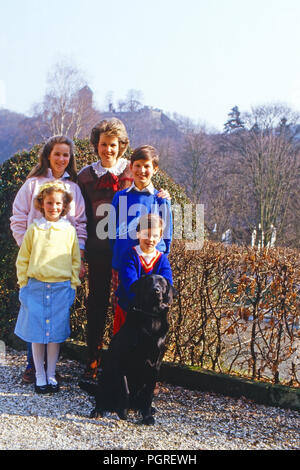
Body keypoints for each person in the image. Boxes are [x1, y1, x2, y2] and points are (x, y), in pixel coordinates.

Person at [77, 119, 170, 379]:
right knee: (96, 303)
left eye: (113, 145)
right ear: (97, 145)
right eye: (103, 144)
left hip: (131, 251)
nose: (108, 150)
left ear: (122, 147)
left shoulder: (131, 173)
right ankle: (93, 359)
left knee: (129, 305)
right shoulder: (85, 175)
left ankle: (128, 362)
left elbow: (151, 203)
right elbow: (80, 215)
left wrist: (164, 198)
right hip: (99, 248)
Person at [10, 135, 87, 383]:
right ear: (48, 156)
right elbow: (18, 217)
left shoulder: (73, 188)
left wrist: (80, 256)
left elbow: (80, 225)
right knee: (35, 315)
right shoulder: (33, 184)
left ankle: (51, 370)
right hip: (37, 267)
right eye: (57, 154)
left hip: (62, 267)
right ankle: (33, 368)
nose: (61, 159)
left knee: (55, 317)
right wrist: (31, 248)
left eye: (66, 155)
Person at [14, 181, 81, 394]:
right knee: (37, 333)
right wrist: (23, 284)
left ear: (64, 205)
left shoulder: (69, 230)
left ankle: (51, 373)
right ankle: (39, 374)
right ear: (42, 204)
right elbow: (23, 259)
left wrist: (72, 285)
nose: (54, 207)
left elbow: (74, 260)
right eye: (49, 202)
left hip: (61, 287)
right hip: (36, 287)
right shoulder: (34, 229)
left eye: (58, 203)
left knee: (55, 334)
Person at [109, 145, 173, 333]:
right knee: (123, 311)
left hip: (151, 266)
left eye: (146, 166)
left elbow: (166, 235)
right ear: (131, 166)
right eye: (137, 165)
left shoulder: (161, 199)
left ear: (155, 169)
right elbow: (112, 232)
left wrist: (161, 257)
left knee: (150, 319)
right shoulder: (120, 197)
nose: (141, 171)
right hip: (124, 263)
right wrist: (118, 254)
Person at [114, 213, 173, 333]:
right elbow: (129, 284)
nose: (150, 239)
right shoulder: (130, 256)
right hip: (129, 308)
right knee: (124, 345)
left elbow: (167, 284)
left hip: (153, 314)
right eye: (146, 234)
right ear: (138, 233)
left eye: (155, 235)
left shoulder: (162, 260)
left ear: (160, 237)